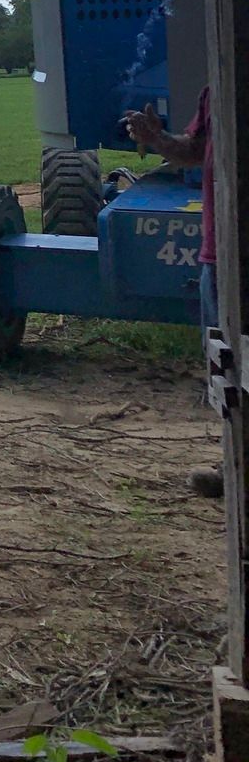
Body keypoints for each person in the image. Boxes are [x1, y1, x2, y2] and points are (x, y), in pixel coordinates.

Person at [124, 89, 219, 497]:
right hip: (219, 256)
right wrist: (157, 139)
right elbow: (195, 149)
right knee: (226, 368)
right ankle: (234, 461)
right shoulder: (218, 88)